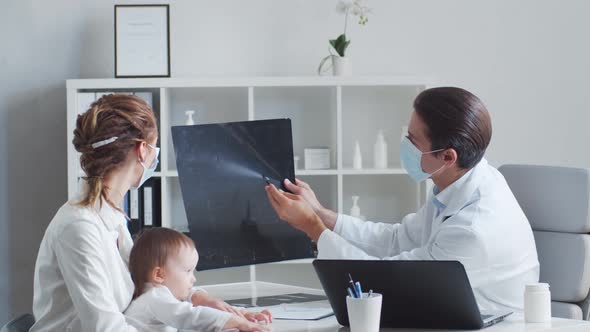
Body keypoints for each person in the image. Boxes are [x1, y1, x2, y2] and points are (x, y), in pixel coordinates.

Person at [265, 87, 540, 312]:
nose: (405, 146)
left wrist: (313, 228)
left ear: (447, 157)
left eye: (413, 140)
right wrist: (322, 214)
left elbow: (386, 279)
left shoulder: (474, 227)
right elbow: (396, 241)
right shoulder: (462, 182)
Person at [32, 94, 246, 331]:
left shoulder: (111, 216)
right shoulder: (79, 227)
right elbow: (106, 327)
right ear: (142, 150)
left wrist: (197, 298)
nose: (155, 156)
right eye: (154, 147)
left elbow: (144, 280)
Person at [125, 228, 271, 332]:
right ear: (159, 275)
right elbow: (192, 316)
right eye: (188, 271)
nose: (193, 279)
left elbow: (194, 302)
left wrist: (242, 314)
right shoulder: (154, 298)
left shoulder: (158, 293)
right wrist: (239, 322)